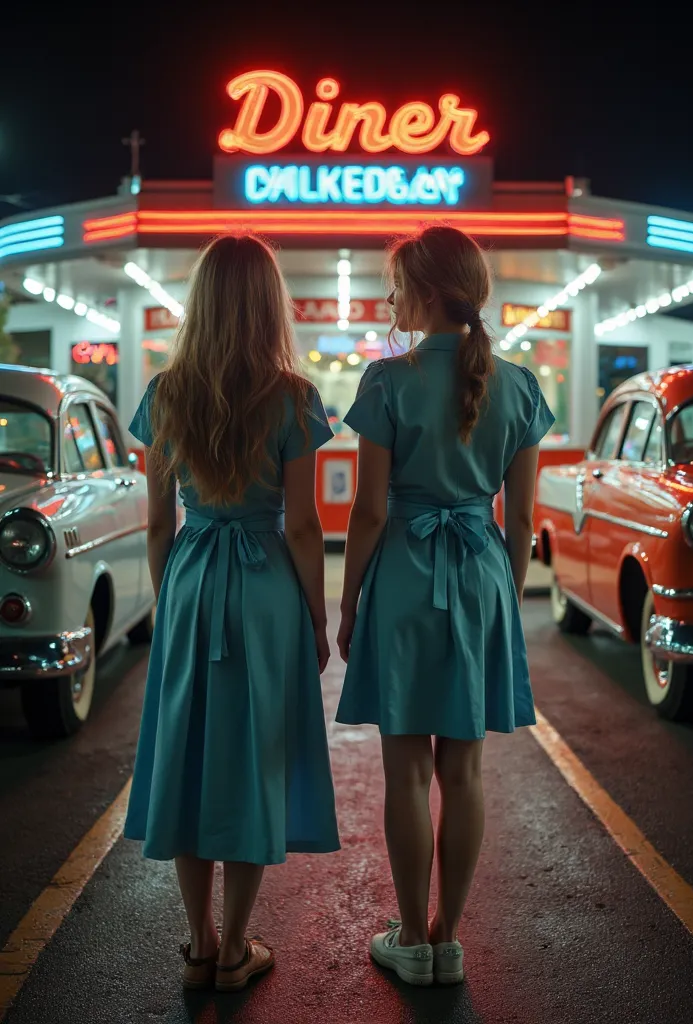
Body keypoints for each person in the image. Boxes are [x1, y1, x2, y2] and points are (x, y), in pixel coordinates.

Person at [336, 225, 554, 987]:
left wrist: (348, 603)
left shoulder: (385, 381)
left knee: (406, 773)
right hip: (482, 575)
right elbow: (522, 519)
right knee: (463, 772)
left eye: (395, 283)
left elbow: (367, 513)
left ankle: (409, 937)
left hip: (402, 573)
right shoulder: (521, 384)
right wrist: (506, 593)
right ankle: (448, 938)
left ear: (424, 290)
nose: (389, 297)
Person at [123, 234, 340, 993]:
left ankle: (197, 942)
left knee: (187, 752)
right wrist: (315, 619)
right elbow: (306, 526)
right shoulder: (295, 397)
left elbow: (157, 524)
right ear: (268, 304)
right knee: (256, 754)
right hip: (264, 586)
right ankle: (237, 948)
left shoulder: (165, 392)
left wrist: (170, 601)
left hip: (191, 580)